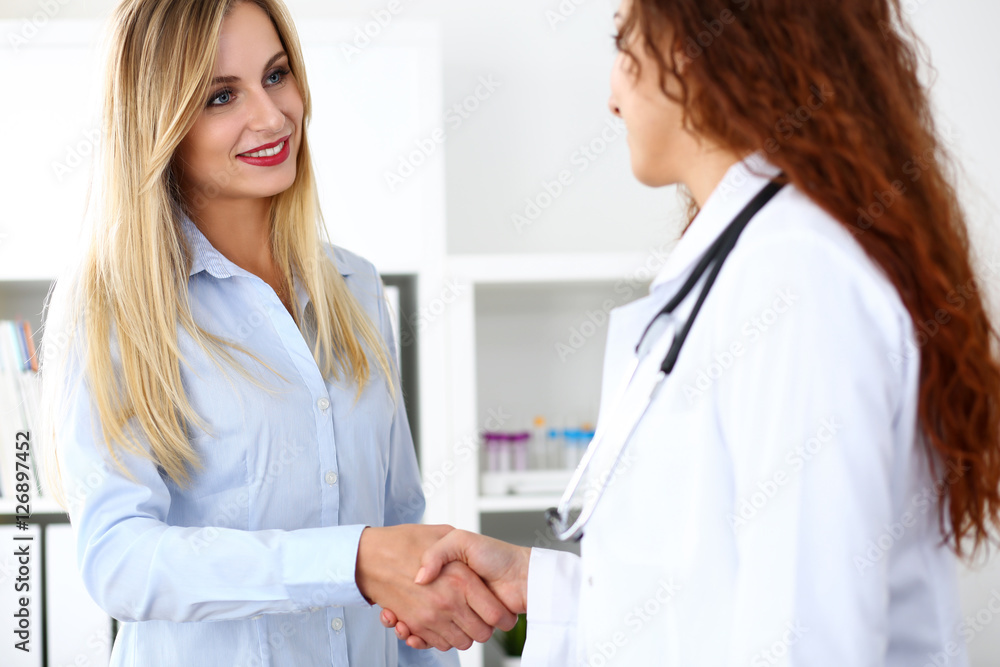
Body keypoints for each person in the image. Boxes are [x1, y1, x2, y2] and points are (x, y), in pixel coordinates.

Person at [381, 0, 1000, 664]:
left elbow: (804, 642)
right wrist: (534, 580)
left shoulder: (793, 278)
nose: (612, 96)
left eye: (624, 44)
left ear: (694, 42)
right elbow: (705, 593)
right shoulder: (748, 262)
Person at [36, 1, 514, 665]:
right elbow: (118, 558)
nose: (271, 115)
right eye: (222, 95)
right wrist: (349, 559)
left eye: (277, 75)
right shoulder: (116, 308)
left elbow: (404, 529)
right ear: (160, 123)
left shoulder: (357, 289)